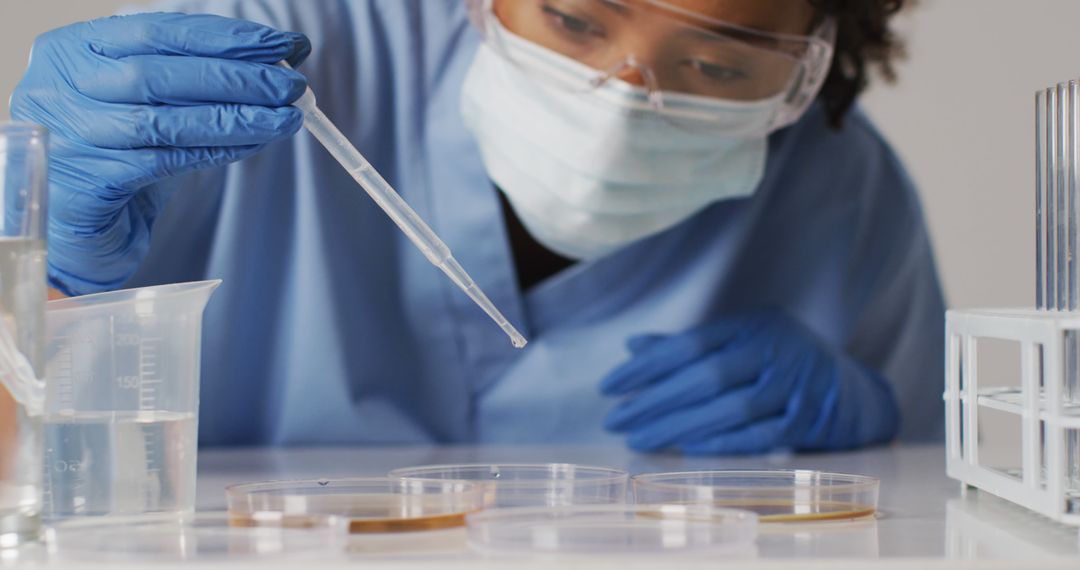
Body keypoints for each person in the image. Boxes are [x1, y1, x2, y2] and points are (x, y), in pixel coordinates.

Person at [10, 0, 944, 452]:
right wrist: (38, 275)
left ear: (816, 63)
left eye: (718, 67)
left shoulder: (842, 191)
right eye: (577, 18)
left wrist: (875, 424)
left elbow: (942, 499)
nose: (621, 99)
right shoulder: (261, 70)